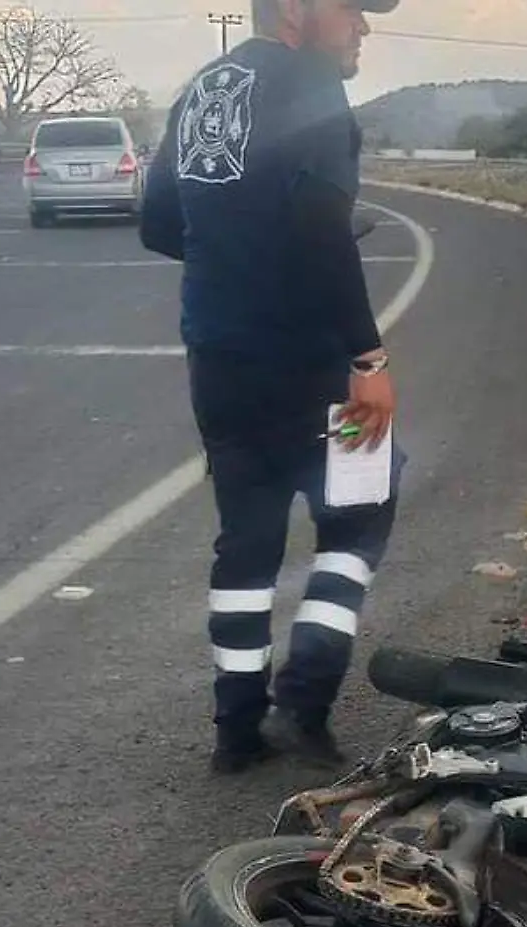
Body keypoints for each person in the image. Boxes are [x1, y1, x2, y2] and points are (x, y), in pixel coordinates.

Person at [140, 0, 404, 775]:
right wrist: (370, 362)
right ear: (296, 8)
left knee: (247, 541)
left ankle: (236, 729)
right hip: (318, 368)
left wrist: (238, 246)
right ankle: (305, 701)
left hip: (218, 364)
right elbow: (324, 232)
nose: (362, 24)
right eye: (351, 8)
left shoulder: (203, 88)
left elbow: (159, 221)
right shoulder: (313, 86)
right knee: (362, 512)